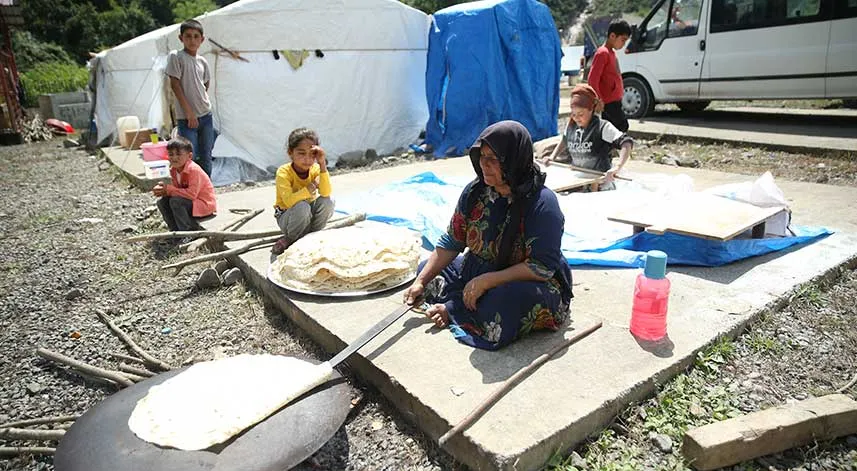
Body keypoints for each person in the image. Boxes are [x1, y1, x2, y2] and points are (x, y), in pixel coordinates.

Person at [403, 121, 573, 351]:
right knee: (428, 272)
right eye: (481, 156)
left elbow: (541, 267)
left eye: (493, 158)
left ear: (513, 160)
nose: (484, 164)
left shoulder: (542, 204)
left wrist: (487, 281)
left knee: (501, 305)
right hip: (478, 267)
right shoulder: (476, 193)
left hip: (525, 280)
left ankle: (454, 308)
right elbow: (452, 241)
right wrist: (420, 281)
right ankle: (461, 304)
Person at [543, 84, 634, 191]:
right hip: (577, 180)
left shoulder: (602, 127)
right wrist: (552, 157)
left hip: (600, 182)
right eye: (573, 114)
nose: (576, 118)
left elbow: (627, 143)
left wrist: (617, 167)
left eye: (580, 114)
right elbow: (565, 139)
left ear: (591, 109)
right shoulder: (571, 126)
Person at [272, 128, 335, 255]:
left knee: (328, 201)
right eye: (301, 153)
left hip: (308, 214)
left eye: (312, 154)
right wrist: (311, 187)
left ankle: (313, 235)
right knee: (302, 206)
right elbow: (289, 201)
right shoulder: (283, 172)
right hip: (288, 217)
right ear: (291, 153)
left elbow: (325, 193)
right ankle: (291, 238)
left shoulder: (316, 168)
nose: (307, 159)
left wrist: (322, 164)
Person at [166, 19, 215, 177]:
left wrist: (201, 102)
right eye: (188, 36)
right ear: (181, 38)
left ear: (202, 39)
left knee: (206, 155)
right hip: (187, 117)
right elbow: (175, 85)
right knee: (188, 156)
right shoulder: (176, 56)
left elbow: (205, 83)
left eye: (196, 36)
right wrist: (189, 112)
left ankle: (206, 190)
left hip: (206, 115)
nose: (192, 40)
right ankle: (191, 191)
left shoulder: (202, 61)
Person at [153, 136, 217, 238]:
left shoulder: (193, 170)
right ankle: (175, 232)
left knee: (176, 201)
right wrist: (164, 191)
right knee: (162, 202)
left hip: (203, 204)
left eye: (178, 154)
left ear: (189, 156)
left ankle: (187, 233)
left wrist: (169, 190)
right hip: (191, 203)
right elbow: (178, 190)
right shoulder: (174, 170)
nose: (174, 158)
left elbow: (191, 194)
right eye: (171, 154)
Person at [587, 19, 632, 133]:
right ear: (612, 36)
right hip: (607, 103)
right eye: (622, 40)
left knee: (615, 129)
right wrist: (598, 100)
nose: (623, 44)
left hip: (615, 101)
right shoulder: (603, 53)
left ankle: (611, 149)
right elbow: (592, 79)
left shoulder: (611, 53)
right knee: (620, 127)